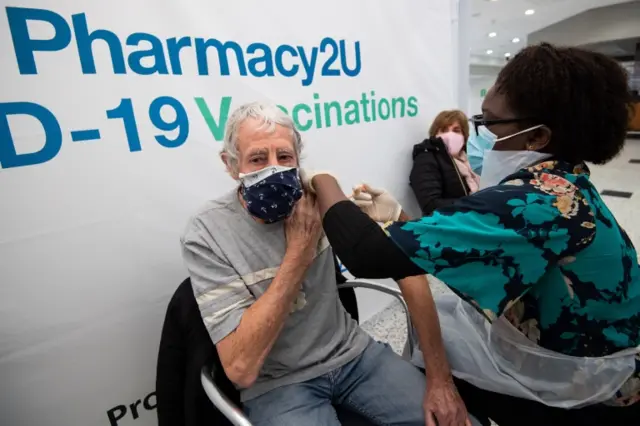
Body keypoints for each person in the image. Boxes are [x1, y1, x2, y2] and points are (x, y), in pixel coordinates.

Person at [304, 43, 640, 426]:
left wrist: (321, 179)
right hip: (586, 355)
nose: (481, 134)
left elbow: (366, 252)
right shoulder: (568, 182)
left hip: (590, 387)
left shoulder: (540, 203)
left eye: (490, 123)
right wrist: (402, 220)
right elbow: (476, 253)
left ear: (537, 137)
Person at [180, 101, 479, 426]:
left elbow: (407, 270)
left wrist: (439, 380)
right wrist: (298, 253)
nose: (274, 169)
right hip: (279, 385)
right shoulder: (207, 234)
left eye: (284, 157)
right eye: (256, 159)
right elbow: (241, 368)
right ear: (230, 163)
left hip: (353, 354)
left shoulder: (315, 198)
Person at [410, 110, 480, 215]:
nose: (450, 135)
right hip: (448, 225)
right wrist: (473, 204)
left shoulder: (468, 158)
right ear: (435, 134)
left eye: (456, 130)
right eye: (444, 130)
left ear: (464, 136)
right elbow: (430, 204)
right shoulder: (426, 158)